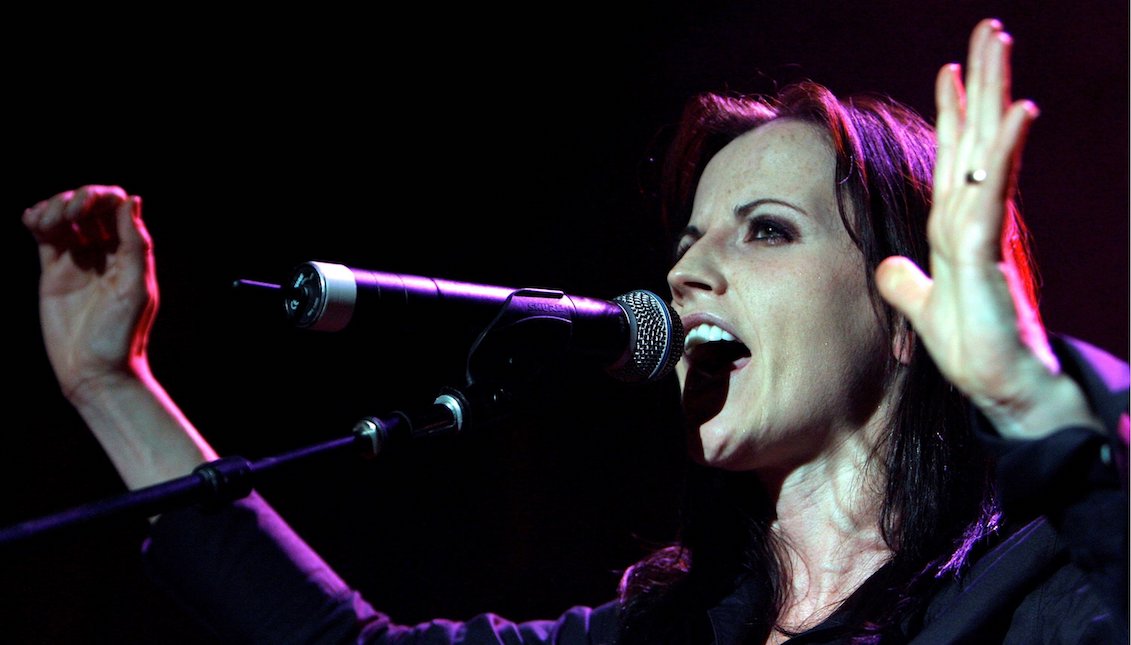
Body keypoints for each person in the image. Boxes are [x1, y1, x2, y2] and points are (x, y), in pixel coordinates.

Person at [20, 18, 1127, 644]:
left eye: (766, 231)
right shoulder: (660, 639)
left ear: (903, 310)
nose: (689, 271)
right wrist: (111, 387)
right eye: (690, 239)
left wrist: (1029, 394)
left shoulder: (1039, 604)